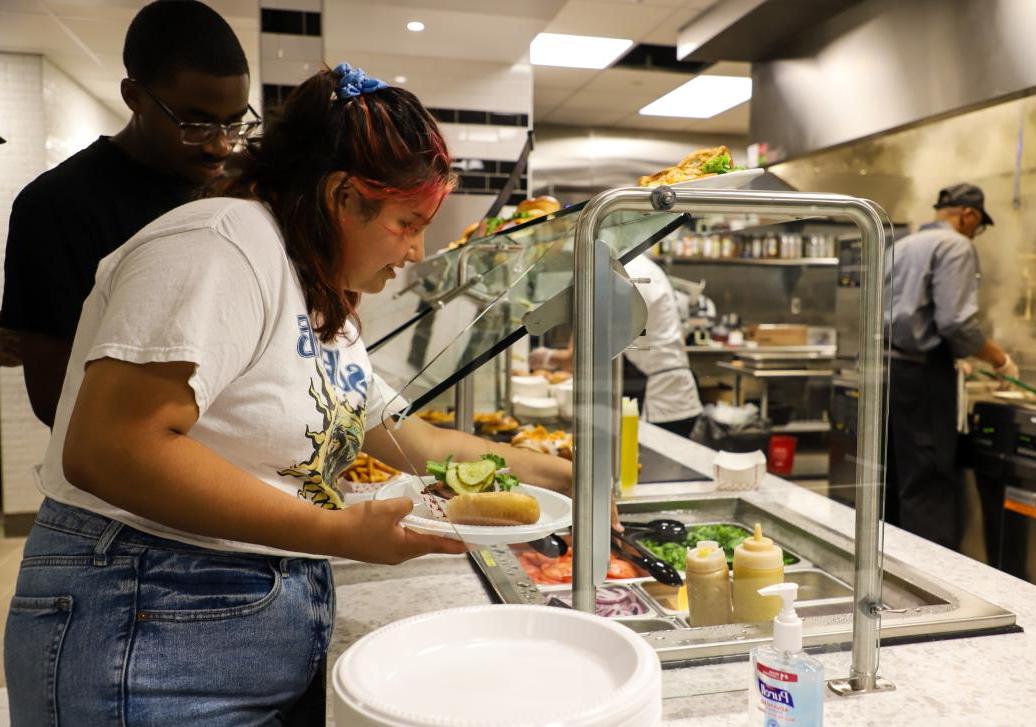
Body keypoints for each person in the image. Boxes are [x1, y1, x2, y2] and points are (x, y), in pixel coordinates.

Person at [4, 64, 573, 725]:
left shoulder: (319, 294)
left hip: (231, 626)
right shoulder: (220, 242)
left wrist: (560, 476)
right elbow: (110, 446)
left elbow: (405, 436)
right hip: (147, 629)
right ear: (342, 196)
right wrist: (337, 531)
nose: (418, 250)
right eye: (407, 222)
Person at [0, 0, 255, 427]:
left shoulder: (235, 192)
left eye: (234, 124)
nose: (220, 145)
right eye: (196, 125)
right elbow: (56, 398)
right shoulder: (58, 205)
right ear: (134, 96)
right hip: (120, 475)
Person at [884, 182, 1018, 549]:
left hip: (894, 372)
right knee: (930, 481)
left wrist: (955, 356)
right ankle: (933, 594)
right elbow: (956, 323)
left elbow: (906, 317)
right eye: (979, 226)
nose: (977, 233)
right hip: (925, 376)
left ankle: (898, 576)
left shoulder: (903, 244)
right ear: (968, 215)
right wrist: (998, 359)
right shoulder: (957, 245)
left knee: (905, 481)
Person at [530, 253, 703, 437]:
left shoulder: (623, 276)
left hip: (660, 405)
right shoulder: (641, 267)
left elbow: (582, 356)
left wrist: (546, 357)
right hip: (677, 394)